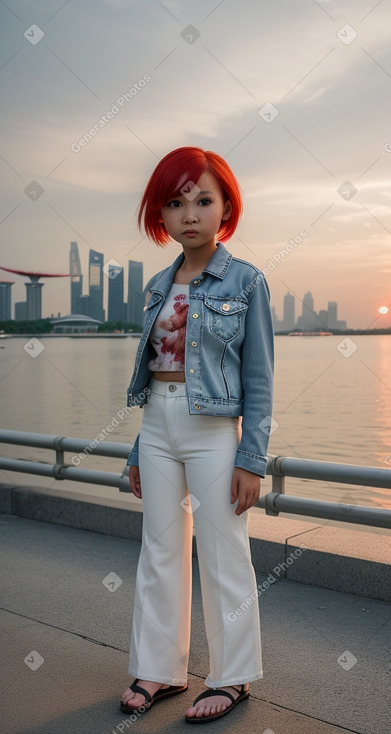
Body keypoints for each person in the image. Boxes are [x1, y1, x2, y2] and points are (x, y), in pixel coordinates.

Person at [120, 146, 274, 724]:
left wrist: (252, 459)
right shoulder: (158, 284)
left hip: (215, 430)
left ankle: (232, 677)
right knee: (160, 550)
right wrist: (139, 447)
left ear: (225, 207)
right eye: (176, 202)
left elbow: (259, 377)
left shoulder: (246, 281)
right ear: (160, 216)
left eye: (203, 200)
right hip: (157, 422)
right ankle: (160, 669)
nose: (190, 213)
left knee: (223, 553)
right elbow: (153, 369)